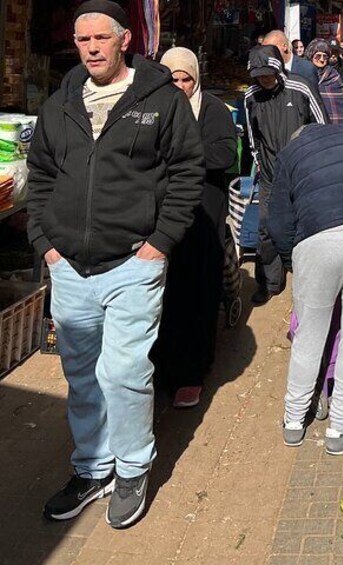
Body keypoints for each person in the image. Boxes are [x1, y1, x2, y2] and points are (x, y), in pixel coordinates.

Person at [27, 0, 204, 528]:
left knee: (124, 371)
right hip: (71, 267)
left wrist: (160, 244)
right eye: (82, 41)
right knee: (81, 375)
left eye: (100, 39)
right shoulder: (60, 105)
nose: (91, 49)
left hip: (132, 262)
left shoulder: (159, 99)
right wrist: (47, 245)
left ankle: (131, 468)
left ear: (124, 39)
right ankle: (92, 468)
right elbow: (39, 178)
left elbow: (187, 172)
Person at [267, 124, 343, 455]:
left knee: (309, 335)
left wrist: (294, 261)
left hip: (316, 242)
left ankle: (293, 421)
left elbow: (277, 220)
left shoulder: (290, 154)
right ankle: (341, 429)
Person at [155, 47, 237, 408]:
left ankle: (192, 372)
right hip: (162, 214)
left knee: (199, 289)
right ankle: (164, 369)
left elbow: (225, 155)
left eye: (186, 78)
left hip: (203, 211)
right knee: (164, 292)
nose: (180, 85)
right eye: (172, 78)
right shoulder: (153, 109)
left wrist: (182, 153)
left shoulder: (213, 110)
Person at [244, 45, 327, 304]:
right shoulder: (251, 97)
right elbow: (251, 138)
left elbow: (321, 126)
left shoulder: (300, 88)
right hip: (270, 175)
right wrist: (261, 163)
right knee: (266, 229)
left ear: (279, 69)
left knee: (307, 227)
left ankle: (312, 282)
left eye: (268, 74)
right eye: (259, 75)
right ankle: (269, 282)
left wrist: (314, 163)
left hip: (302, 173)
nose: (264, 79)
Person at [305, 39, 343, 125]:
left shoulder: (333, 76)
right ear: (310, 56)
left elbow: (341, 107)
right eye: (318, 56)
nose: (322, 60)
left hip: (333, 125)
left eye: (325, 56)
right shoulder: (303, 74)